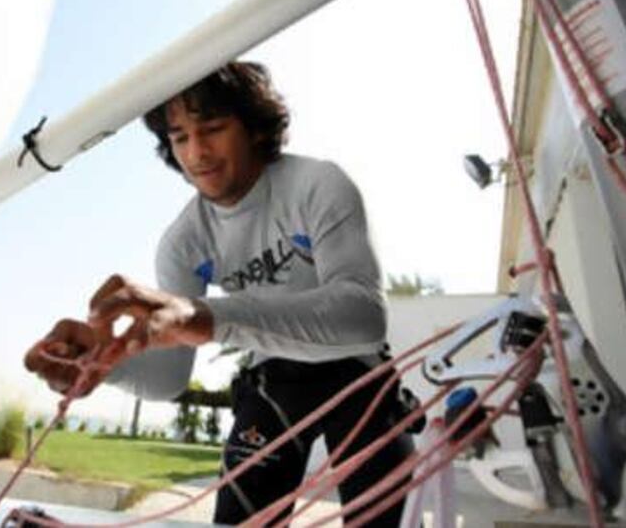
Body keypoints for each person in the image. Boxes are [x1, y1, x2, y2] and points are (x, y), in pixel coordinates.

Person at [24, 61, 414, 526]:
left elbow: (363, 316)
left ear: (252, 128)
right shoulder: (183, 241)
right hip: (273, 376)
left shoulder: (317, 184)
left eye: (212, 128)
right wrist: (107, 361)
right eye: (179, 136)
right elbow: (169, 378)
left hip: (357, 367)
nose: (197, 152)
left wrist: (202, 315)